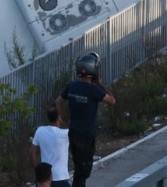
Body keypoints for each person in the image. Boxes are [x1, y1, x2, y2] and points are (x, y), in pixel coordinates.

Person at [59, 54, 115, 187]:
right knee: (83, 171)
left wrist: (65, 119)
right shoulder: (93, 89)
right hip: (86, 135)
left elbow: (58, 102)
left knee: (79, 168)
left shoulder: (72, 86)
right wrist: (101, 84)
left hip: (73, 132)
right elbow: (112, 101)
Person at [31, 107, 71, 187]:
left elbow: (32, 152)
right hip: (60, 178)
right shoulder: (65, 134)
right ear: (59, 118)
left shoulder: (40, 131)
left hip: (44, 178)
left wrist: (37, 171)